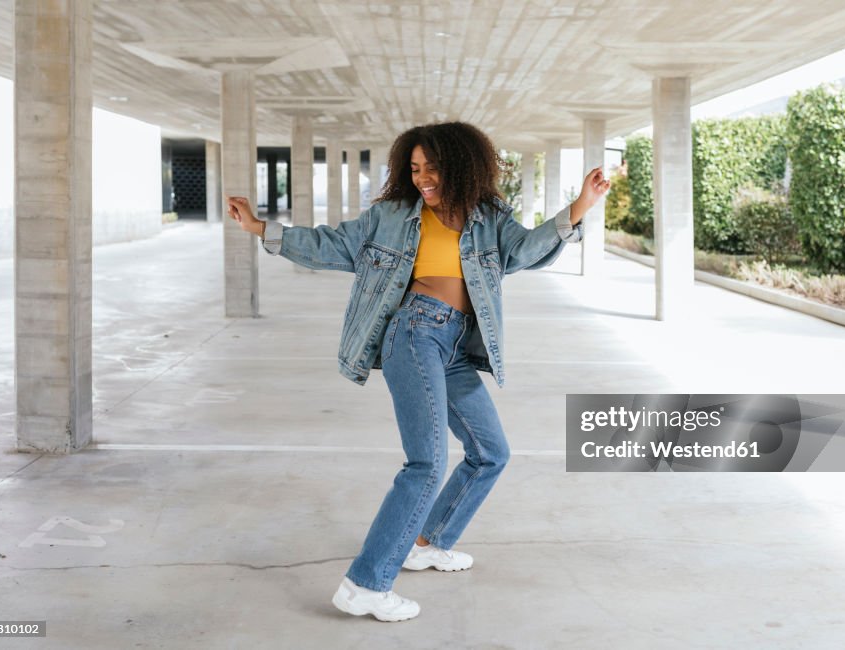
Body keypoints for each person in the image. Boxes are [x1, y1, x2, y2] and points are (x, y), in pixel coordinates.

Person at [226, 121, 609, 622]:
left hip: (457, 344)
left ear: (462, 167)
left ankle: (427, 542)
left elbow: (524, 252)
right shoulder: (390, 215)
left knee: (491, 452)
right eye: (415, 168)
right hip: (414, 333)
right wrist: (261, 228)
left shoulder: (489, 216)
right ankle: (366, 584)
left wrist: (581, 207)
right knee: (425, 464)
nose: (423, 178)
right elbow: (332, 245)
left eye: (432, 167)